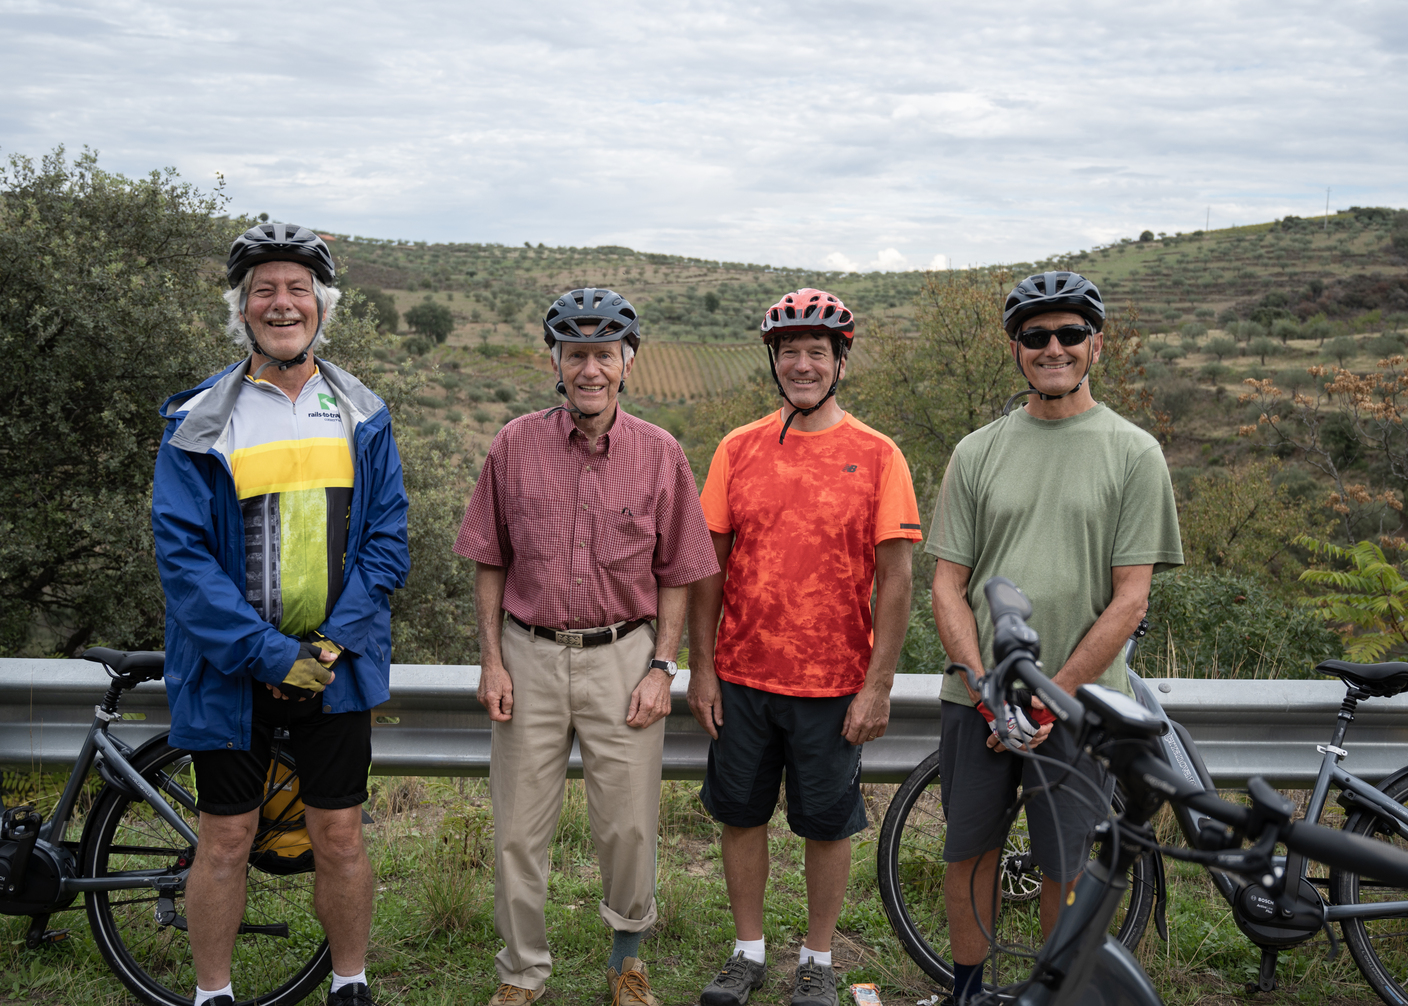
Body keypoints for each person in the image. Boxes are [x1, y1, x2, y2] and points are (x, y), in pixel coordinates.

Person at [152, 223, 410, 1006]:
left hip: (337, 666)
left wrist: (327, 649)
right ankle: (213, 994)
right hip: (229, 672)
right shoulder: (201, 419)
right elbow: (184, 560)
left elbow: (387, 543)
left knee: (339, 834)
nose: (282, 302)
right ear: (242, 308)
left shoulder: (361, 413)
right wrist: (272, 656)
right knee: (225, 838)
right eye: (263, 288)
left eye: (298, 287)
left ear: (322, 306)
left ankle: (351, 983)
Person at [453, 288, 720, 1006]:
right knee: (517, 832)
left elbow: (678, 574)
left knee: (629, 827)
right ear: (557, 363)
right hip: (528, 653)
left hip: (624, 657)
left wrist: (664, 667)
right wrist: (491, 659)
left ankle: (626, 963)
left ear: (627, 363)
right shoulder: (513, 444)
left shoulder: (661, 454)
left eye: (605, 355)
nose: (591, 369)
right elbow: (489, 559)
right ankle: (521, 973)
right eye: (577, 355)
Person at [925, 271, 1183, 1005]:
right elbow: (948, 585)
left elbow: (1131, 598)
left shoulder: (1134, 453)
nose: (1054, 348)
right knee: (968, 852)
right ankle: (968, 994)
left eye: (1070, 334)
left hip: (1081, 707)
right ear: (1016, 349)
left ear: (1095, 343)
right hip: (975, 698)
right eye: (1036, 337)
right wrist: (984, 691)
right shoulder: (977, 451)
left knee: (1065, 866)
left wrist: (1048, 700)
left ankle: (1056, 996)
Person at [688, 289, 922, 1006]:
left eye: (816, 351)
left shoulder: (879, 455)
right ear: (773, 360)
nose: (801, 363)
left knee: (827, 825)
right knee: (740, 816)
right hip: (744, 677)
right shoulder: (738, 448)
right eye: (789, 351)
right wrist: (702, 670)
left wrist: (877, 685)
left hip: (833, 685)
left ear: (840, 361)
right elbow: (708, 570)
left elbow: (898, 580)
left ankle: (817, 961)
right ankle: (746, 952)